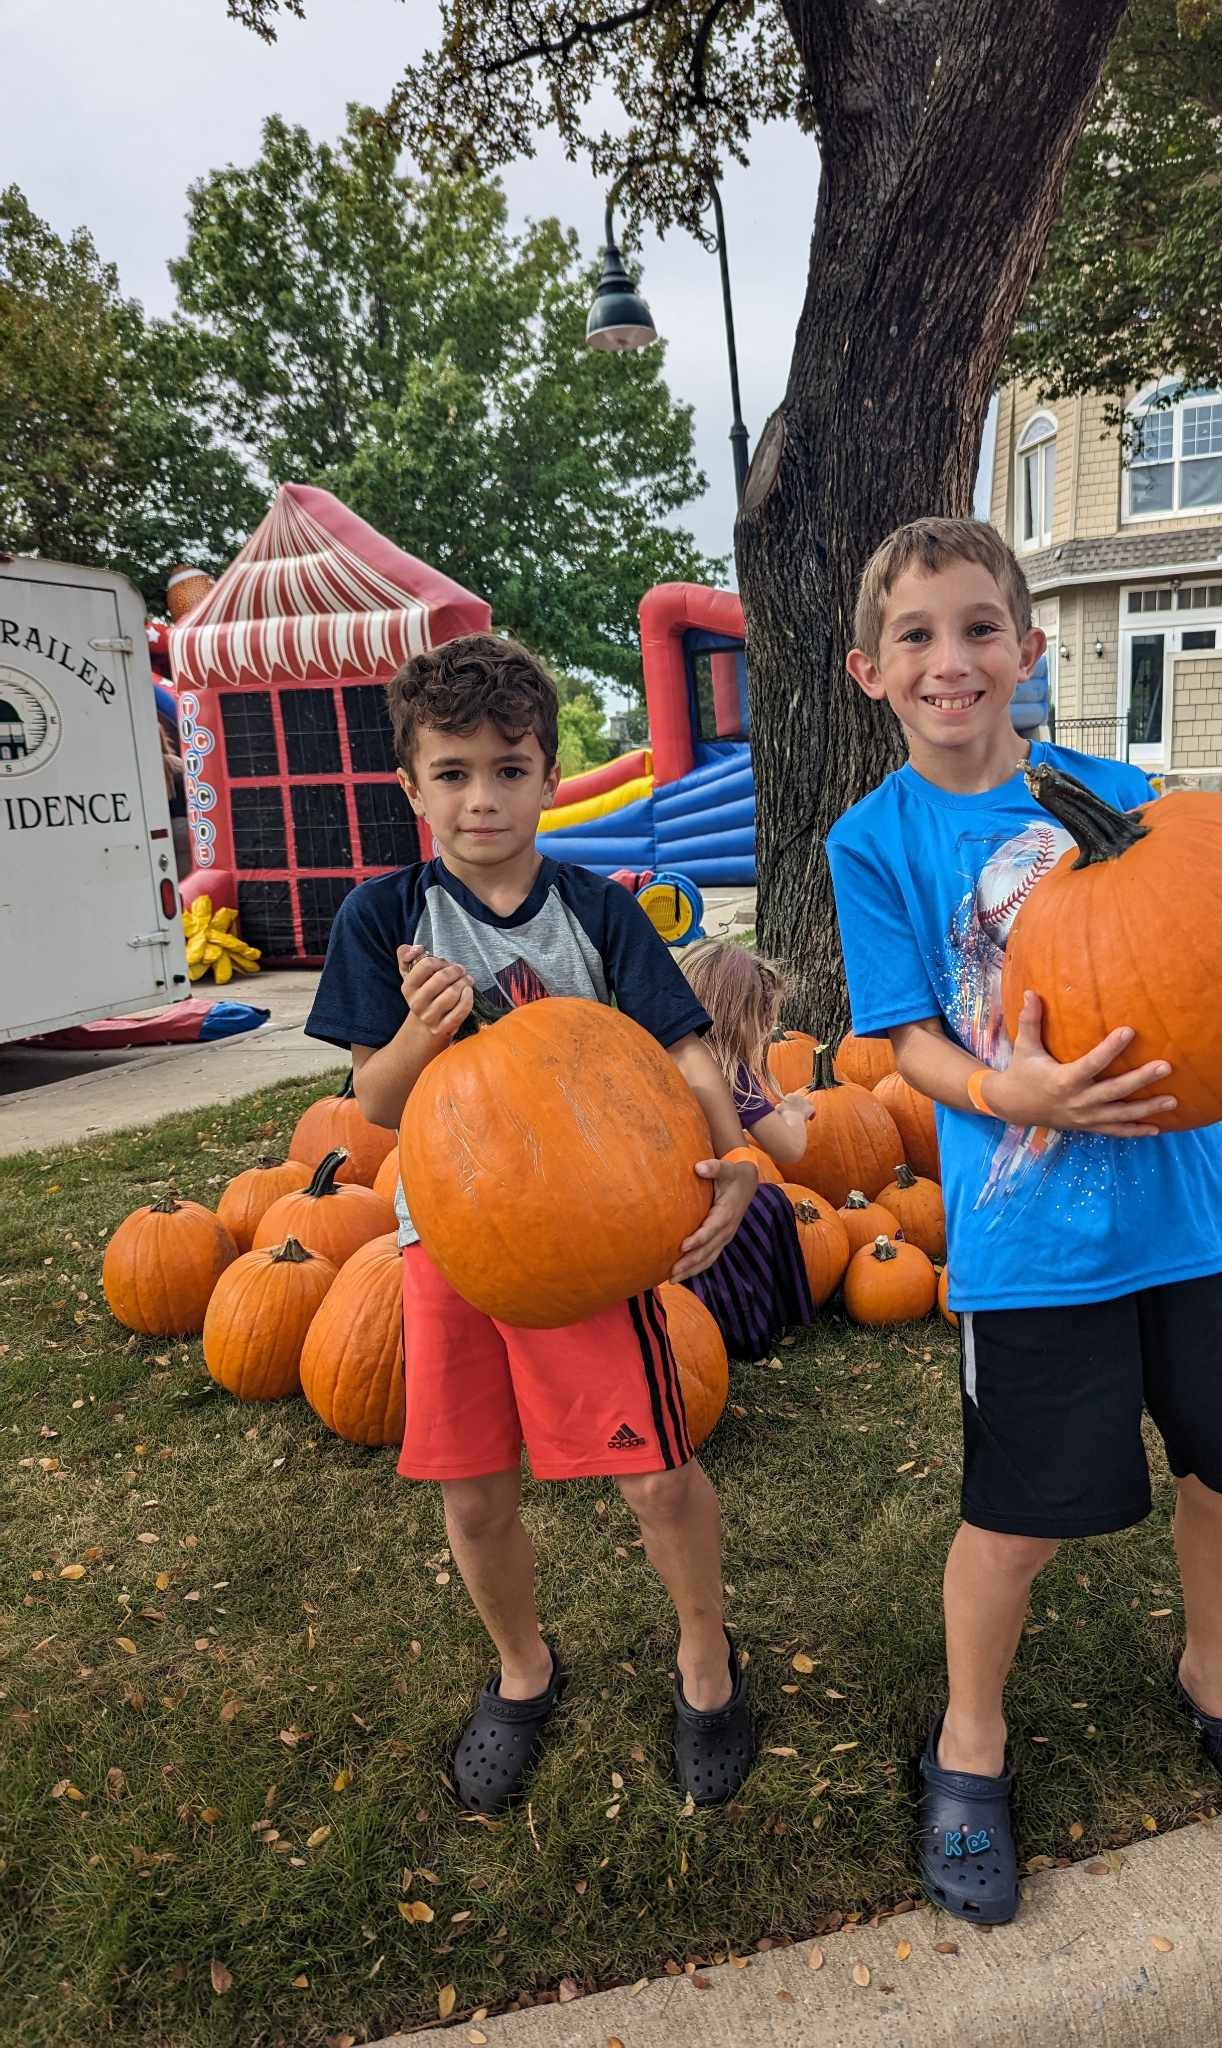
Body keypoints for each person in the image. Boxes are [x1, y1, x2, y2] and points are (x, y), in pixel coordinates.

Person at [824, 517, 1222, 1924]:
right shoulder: (873, 841)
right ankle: (970, 1738)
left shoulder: (1120, 791)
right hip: (1030, 1251)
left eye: (977, 628)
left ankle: (1216, 1675)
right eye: (917, 636)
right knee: (1015, 1522)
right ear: (867, 670)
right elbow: (905, 1041)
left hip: (1189, 1226)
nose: (951, 660)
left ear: (1027, 647)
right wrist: (1011, 1087)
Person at [305, 634, 760, 1815]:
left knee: (657, 1476)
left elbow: (683, 1044)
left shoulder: (596, 913)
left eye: (507, 768)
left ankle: (706, 1660)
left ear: (549, 775)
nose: (481, 797)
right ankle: (522, 1668)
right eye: (451, 773)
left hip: (590, 1241)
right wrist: (420, 1029)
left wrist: (736, 1155)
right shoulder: (385, 917)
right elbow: (378, 1102)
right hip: (448, 1242)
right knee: (472, 1490)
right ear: (411, 787)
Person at [675, 938, 816, 1360]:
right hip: (709, 1205)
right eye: (764, 1017)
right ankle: (743, 1322)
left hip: (661, 1203)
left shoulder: (657, 1059)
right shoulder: (731, 1078)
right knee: (767, 1204)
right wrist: (795, 1110)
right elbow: (789, 1149)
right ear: (742, 1018)